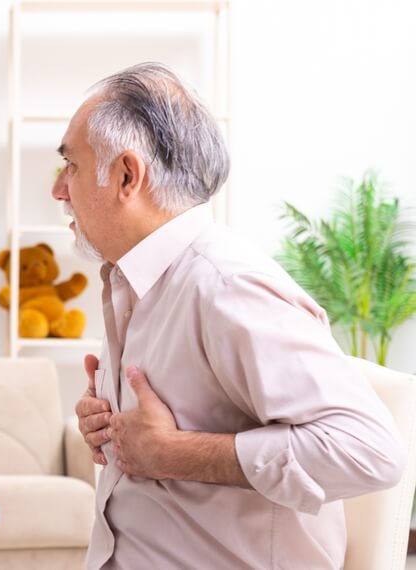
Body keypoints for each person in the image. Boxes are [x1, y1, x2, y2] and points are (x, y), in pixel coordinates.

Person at [55, 63, 404, 568]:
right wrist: (115, 430)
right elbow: (166, 431)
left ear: (128, 176)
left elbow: (369, 451)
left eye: (72, 167)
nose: (60, 191)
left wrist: (173, 454)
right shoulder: (135, 281)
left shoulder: (228, 287)